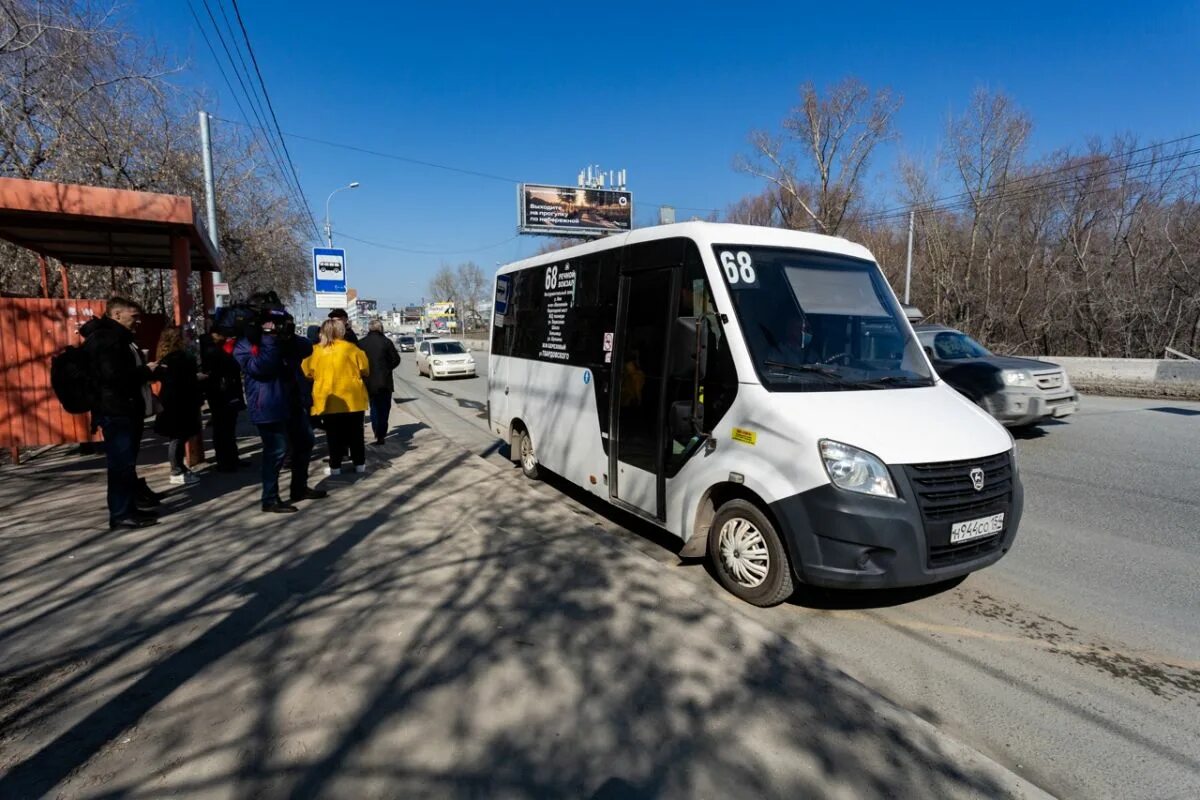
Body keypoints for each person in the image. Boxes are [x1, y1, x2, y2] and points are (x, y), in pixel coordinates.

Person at [234, 299, 326, 513]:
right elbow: (261, 368)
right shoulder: (247, 343)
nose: (276, 326)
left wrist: (287, 335)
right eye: (272, 322)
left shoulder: (285, 340)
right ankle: (270, 499)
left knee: (305, 442)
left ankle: (299, 488)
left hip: (292, 401)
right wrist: (268, 338)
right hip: (267, 405)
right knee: (277, 450)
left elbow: (306, 348)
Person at [80, 297, 159, 529]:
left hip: (124, 408)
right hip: (116, 410)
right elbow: (113, 378)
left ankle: (128, 508)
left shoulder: (119, 337)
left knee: (126, 464)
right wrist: (145, 371)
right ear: (116, 315)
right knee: (120, 464)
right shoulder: (107, 339)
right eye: (133, 316)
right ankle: (120, 513)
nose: (138, 321)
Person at [302, 319, 370, 474]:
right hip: (353, 398)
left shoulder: (314, 351)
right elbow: (365, 369)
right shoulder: (352, 349)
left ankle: (335, 467)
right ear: (341, 331)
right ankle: (360, 464)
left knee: (333, 435)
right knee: (356, 433)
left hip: (328, 398)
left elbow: (306, 372)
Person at [153, 326, 204, 485]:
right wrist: (196, 378)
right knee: (178, 437)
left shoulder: (165, 357)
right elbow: (183, 380)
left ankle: (179, 467)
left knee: (178, 436)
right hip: (181, 401)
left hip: (172, 400)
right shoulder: (179, 357)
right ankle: (176, 470)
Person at [200, 322, 247, 472]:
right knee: (222, 429)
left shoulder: (216, 348)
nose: (225, 337)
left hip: (226, 391)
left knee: (228, 428)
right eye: (223, 334)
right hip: (221, 393)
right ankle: (225, 461)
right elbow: (224, 368)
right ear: (215, 334)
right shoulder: (210, 349)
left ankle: (232, 458)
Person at [359, 318, 401, 445]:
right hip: (385, 381)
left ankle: (376, 430)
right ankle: (381, 434)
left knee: (373, 407)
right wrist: (387, 368)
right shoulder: (386, 342)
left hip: (368, 382)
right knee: (384, 408)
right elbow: (396, 359)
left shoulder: (361, 343)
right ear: (380, 328)